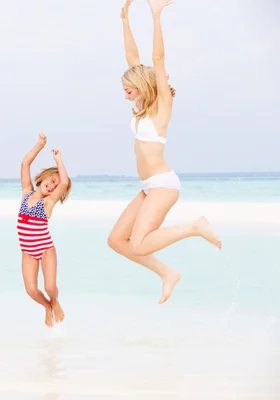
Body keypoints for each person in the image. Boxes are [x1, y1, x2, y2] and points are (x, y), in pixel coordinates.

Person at [107, 0, 222, 304]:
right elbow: (133, 59)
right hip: (148, 187)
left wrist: (156, 16)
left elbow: (157, 58)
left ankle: (195, 227)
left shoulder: (161, 109)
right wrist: (125, 21)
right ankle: (167, 273)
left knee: (141, 243)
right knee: (117, 240)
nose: (125, 93)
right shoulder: (143, 108)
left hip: (163, 185)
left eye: (127, 88)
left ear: (143, 86)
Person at [18, 133, 71, 327]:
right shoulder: (26, 193)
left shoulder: (47, 203)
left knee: (50, 287)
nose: (52, 184)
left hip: (45, 249)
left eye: (55, 185)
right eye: (51, 179)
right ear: (43, 177)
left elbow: (64, 183)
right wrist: (39, 145)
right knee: (31, 290)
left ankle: (54, 301)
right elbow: (25, 164)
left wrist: (58, 160)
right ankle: (47, 307)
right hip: (28, 252)